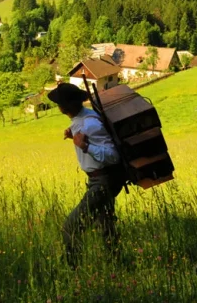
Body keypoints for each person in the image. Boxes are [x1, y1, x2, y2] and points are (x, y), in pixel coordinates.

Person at [47, 82, 126, 268]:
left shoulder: (89, 124)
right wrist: (72, 134)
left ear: (64, 107)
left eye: (59, 103)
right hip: (102, 180)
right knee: (106, 226)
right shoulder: (85, 117)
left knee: (70, 227)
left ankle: (73, 270)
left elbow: (113, 156)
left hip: (103, 182)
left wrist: (85, 146)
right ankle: (118, 266)